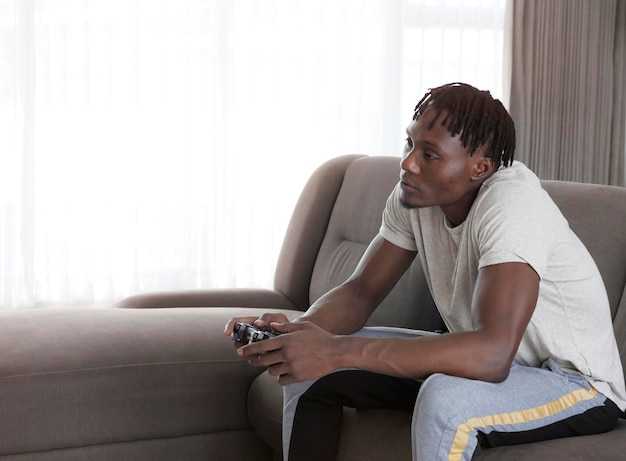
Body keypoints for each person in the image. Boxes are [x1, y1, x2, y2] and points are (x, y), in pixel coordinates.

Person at [224, 82, 626, 461]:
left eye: (430, 155)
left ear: (480, 167)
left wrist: (336, 348)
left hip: (576, 386)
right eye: (410, 143)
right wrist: (301, 336)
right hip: (486, 363)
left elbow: (491, 355)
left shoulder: (511, 206)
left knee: (445, 398)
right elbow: (361, 291)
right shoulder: (413, 197)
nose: (408, 163)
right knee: (311, 372)